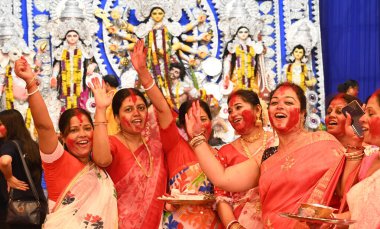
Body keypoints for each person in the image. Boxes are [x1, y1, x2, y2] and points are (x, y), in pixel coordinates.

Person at [185, 82, 347, 228]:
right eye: (274, 103)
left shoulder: (323, 142)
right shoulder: (268, 155)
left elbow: (349, 193)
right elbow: (223, 178)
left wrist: (335, 220)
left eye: (289, 102)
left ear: (303, 113)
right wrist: (197, 138)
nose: (279, 106)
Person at [13, 57, 117, 228]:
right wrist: (31, 83)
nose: (82, 135)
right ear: (63, 137)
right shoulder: (56, 160)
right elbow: (44, 127)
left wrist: (100, 109)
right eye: (74, 130)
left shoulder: (100, 165)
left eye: (87, 128)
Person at [126, 40, 221, 228]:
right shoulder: (175, 145)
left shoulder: (221, 155)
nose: (198, 125)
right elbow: (162, 109)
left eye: (203, 118)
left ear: (212, 121)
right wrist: (144, 73)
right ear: (183, 124)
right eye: (191, 119)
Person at [90, 42, 167, 227]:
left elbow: (163, 110)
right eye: (129, 109)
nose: (137, 113)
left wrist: (143, 73)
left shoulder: (155, 145)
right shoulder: (112, 143)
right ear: (116, 117)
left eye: (141, 108)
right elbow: (101, 160)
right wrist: (100, 109)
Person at [212, 89, 275, 229]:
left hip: (278, 217)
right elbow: (221, 197)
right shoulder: (225, 152)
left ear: (257, 110)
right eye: (229, 111)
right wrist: (233, 225)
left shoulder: (277, 141)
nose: (233, 114)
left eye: (238, 107)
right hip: (242, 222)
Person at [335, 89, 380, 228]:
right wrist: (333, 220)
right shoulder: (375, 158)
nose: (361, 119)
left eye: (371, 113)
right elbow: (362, 210)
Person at [0, 109, 48, 228]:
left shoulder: (9, 145)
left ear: (10, 125)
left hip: (16, 206)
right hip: (36, 204)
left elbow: (5, 161)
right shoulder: (33, 145)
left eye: (0, 124)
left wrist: (9, 177)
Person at [50, 30, 98, 111]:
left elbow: (93, 62)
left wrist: (92, 66)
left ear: (78, 37)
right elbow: (57, 64)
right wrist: (54, 76)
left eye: (74, 36)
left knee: (81, 104)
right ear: (66, 37)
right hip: (65, 83)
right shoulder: (61, 50)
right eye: (69, 36)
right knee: (65, 104)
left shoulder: (84, 50)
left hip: (80, 83)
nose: (72, 38)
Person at [222, 26, 264, 93]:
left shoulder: (252, 46)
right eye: (241, 32)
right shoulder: (233, 46)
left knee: (252, 89)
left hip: (250, 73)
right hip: (237, 73)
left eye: (245, 32)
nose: (243, 34)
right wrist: (226, 75)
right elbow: (227, 61)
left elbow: (256, 61)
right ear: (237, 34)